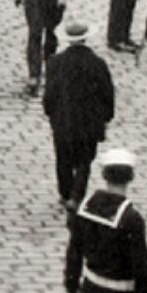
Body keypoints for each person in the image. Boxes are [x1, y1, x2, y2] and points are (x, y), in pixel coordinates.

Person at [61, 149, 147, 293]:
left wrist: (71, 290)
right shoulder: (132, 219)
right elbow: (140, 267)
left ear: (104, 175)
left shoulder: (85, 209)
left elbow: (74, 254)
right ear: (130, 177)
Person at [43, 19, 115, 209]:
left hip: (63, 120)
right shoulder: (97, 63)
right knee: (85, 160)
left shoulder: (55, 62)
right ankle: (77, 195)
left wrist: (50, 113)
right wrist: (107, 116)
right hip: (89, 121)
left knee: (63, 158)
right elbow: (107, 93)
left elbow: (49, 94)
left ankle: (65, 193)